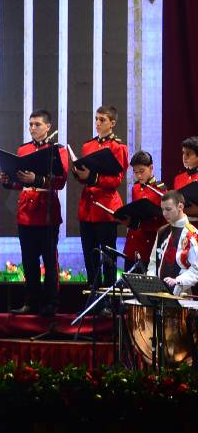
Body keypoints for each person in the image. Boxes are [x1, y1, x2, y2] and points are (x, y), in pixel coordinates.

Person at [0, 109, 70, 316]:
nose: (32, 128)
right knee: (29, 260)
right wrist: (9, 181)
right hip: (26, 212)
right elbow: (20, 180)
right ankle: (31, 302)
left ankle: (51, 303)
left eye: (37, 124)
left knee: (49, 260)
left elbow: (60, 181)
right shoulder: (23, 149)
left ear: (48, 127)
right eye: (30, 124)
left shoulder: (58, 150)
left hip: (47, 211)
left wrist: (37, 180)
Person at [73, 105, 128, 304]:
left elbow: (116, 180)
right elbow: (85, 177)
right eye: (96, 119)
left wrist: (93, 177)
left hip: (105, 209)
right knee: (90, 257)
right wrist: (79, 173)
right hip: (87, 208)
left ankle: (108, 303)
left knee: (108, 259)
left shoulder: (118, 147)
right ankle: (92, 301)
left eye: (102, 120)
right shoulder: (88, 146)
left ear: (112, 123)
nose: (97, 123)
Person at [146, 191, 198, 293]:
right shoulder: (162, 231)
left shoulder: (192, 234)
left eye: (168, 209)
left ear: (180, 207)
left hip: (182, 292)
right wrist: (152, 282)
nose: (164, 214)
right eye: (162, 209)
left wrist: (177, 281)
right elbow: (153, 262)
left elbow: (196, 270)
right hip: (158, 293)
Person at [126, 151, 167, 269]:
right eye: (135, 172)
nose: (138, 176)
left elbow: (163, 220)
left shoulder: (160, 190)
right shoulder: (135, 188)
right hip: (133, 241)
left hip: (149, 241)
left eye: (141, 171)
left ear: (151, 168)